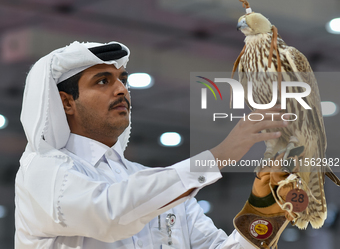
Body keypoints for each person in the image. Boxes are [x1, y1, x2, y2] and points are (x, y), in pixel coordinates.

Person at [15, 41, 287, 248]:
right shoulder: (41, 170)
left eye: (123, 79)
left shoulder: (162, 186)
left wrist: (268, 207)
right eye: (102, 81)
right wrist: (217, 157)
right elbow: (110, 214)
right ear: (66, 102)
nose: (121, 89)